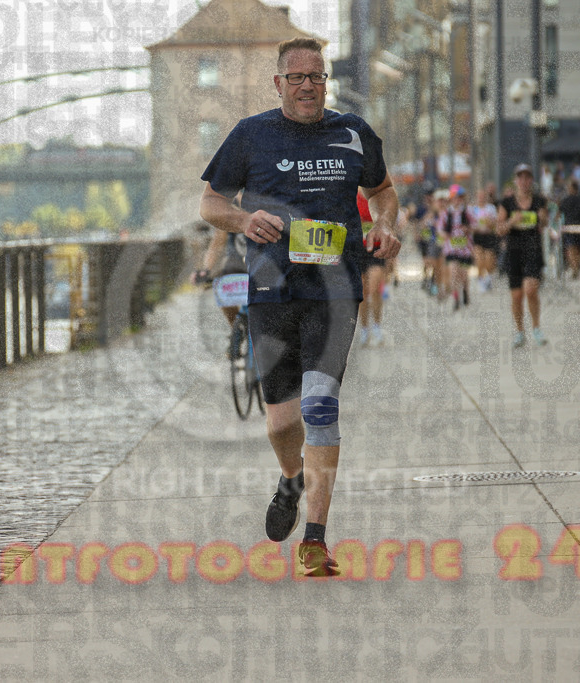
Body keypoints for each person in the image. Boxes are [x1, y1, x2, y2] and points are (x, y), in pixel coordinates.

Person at [199, 37, 401, 577]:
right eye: (297, 77)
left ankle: (315, 537)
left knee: (320, 406)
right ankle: (290, 477)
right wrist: (243, 222)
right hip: (271, 290)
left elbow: (382, 191)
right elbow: (211, 202)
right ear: (279, 83)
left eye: (317, 76)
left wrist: (384, 224)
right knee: (281, 419)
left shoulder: (353, 133)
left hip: (335, 293)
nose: (308, 85)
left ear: (325, 82)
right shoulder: (250, 135)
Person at [497, 164, 549, 348]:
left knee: (530, 289)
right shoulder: (507, 203)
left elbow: (545, 223)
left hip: (533, 250)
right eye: (521, 177)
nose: (524, 181)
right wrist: (512, 221)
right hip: (514, 252)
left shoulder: (539, 201)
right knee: (517, 295)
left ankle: (536, 327)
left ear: (531, 180)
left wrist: (543, 217)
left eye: (528, 177)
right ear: (516, 180)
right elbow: (499, 229)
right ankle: (520, 331)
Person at [192, 227, 248, 326]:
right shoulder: (229, 215)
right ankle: (237, 327)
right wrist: (206, 270)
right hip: (237, 268)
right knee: (223, 288)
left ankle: (238, 328)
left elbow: (217, 242)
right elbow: (217, 243)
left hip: (250, 268)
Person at [357, 190, 387, 344]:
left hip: (376, 249)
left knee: (375, 289)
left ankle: (376, 325)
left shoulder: (378, 196)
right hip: (358, 250)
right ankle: (364, 328)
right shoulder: (352, 196)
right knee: (362, 292)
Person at [442, 185, 473, 310]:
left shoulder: (467, 212)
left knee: (464, 274)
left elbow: (474, 226)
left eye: (459, 198)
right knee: (454, 273)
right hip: (451, 248)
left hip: (465, 248)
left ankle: (465, 290)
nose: (457, 200)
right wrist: (445, 235)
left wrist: (468, 229)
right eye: (455, 198)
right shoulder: (446, 213)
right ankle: (456, 298)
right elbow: (440, 229)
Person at [469, 187, 499, 292]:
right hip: (477, 236)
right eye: (479, 196)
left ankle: (489, 277)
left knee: (489, 260)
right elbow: (468, 224)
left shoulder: (491, 208)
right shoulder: (471, 209)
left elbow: (495, 222)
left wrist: (489, 223)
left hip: (489, 236)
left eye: (483, 196)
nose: (481, 198)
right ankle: (481, 280)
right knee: (479, 259)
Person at [557, 178, 580, 279]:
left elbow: (558, 214)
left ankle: (574, 268)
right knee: (578, 249)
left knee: (570, 248)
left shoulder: (565, 200)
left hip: (569, 227)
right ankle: (576, 267)